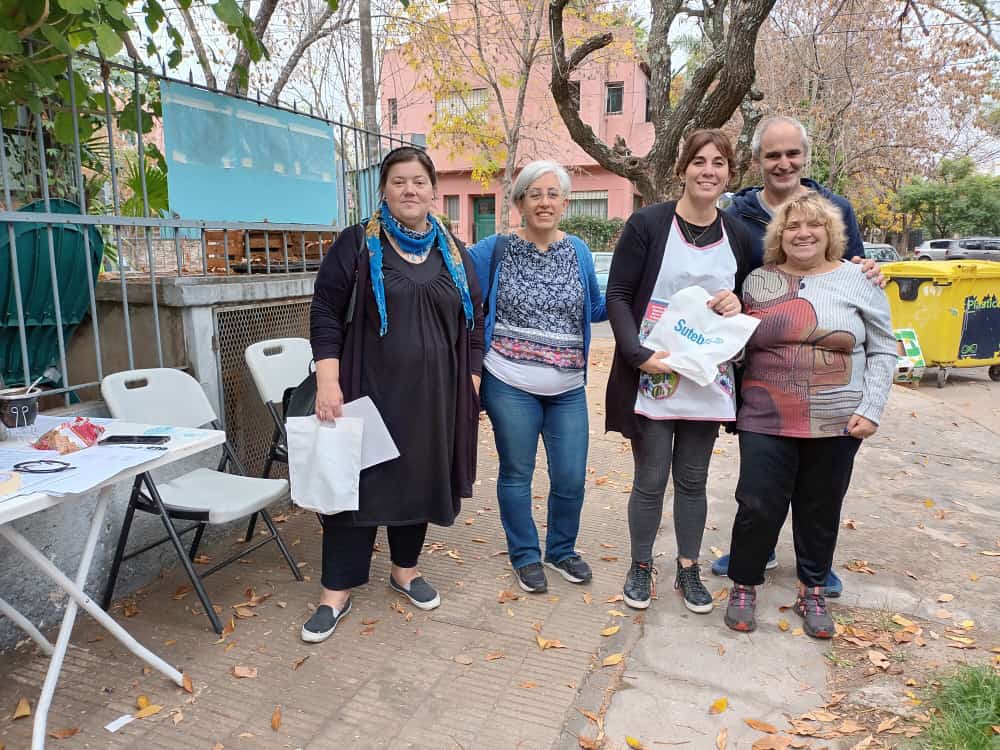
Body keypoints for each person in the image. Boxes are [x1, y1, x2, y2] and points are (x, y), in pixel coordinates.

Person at [302, 146, 485, 643]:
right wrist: (327, 382)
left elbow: (475, 319)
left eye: (419, 181)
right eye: (399, 181)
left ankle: (405, 569)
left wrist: (471, 380)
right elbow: (325, 312)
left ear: (433, 190)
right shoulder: (357, 244)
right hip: (367, 392)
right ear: (383, 189)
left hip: (434, 399)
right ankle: (336, 591)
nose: (410, 190)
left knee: (418, 482)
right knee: (354, 488)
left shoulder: (452, 250)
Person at [713, 114, 880, 595]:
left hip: (830, 376)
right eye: (773, 155)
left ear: (805, 156)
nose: (783, 163)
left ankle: (815, 566)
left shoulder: (837, 207)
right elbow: (728, 278)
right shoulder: (736, 214)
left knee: (821, 486)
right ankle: (757, 551)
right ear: (757, 160)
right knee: (762, 484)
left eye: (792, 153)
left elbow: (850, 267)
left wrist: (870, 272)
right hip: (763, 364)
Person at [723, 192, 895, 638]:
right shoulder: (758, 281)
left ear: (829, 232)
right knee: (757, 504)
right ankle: (744, 585)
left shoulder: (859, 279)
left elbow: (883, 349)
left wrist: (871, 408)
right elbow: (739, 347)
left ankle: (812, 591)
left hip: (837, 420)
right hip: (766, 414)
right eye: (792, 226)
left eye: (813, 225)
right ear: (779, 236)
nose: (803, 233)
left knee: (820, 507)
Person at [605, 129, 753, 613]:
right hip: (655, 368)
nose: (708, 171)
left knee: (693, 478)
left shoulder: (739, 235)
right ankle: (641, 564)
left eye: (719, 163)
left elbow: (755, 296)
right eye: (699, 161)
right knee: (650, 477)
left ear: (730, 173)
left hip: (707, 375)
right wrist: (636, 354)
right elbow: (618, 295)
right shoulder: (647, 224)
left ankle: (688, 568)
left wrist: (738, 301)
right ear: (682, 168)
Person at [468, 161, 607, 593]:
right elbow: (455, 282)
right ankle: (525, 555)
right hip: (509, 381)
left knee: (571, 476)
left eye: (552, 194)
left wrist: (642, 295)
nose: (544, 202)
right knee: (516, 472)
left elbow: (596, 308)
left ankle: (561, 550)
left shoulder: (579, 250)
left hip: (567, 388)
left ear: (565, 203)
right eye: (535, 194)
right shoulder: (496, 250)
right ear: (520, 203)